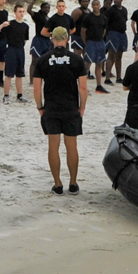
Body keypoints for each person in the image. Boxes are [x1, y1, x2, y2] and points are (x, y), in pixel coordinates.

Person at [32, 25, 90, 193]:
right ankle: (73, 183)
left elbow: (36, 88)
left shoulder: (43, 59)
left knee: (53, 146)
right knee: (71, 146)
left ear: (52, 40)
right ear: (67, 40)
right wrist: (82, 107)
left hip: (51, 107)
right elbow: (83, 87)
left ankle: (57, 184)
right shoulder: (77, 59)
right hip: (71, 107)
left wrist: (40, 107)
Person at [0, 4, 31, 102]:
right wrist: (2, 25)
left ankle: (19, 95)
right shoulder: (10, 24)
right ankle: (6, 95)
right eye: (19, 11)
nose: (21, 14)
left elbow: (25, 39)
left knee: (20, 74)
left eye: (23, 11)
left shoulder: (25, 26)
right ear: (15, 13)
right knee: (9, 74)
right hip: (11, 50)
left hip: (20, 50)